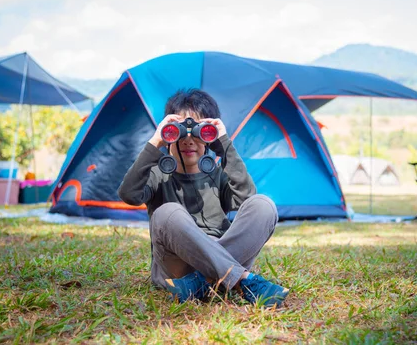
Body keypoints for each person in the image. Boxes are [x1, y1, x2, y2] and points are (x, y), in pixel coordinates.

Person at [118, 89, 289, 308]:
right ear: (169, 132)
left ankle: (200, 283)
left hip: (212, 256)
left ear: (209, 136)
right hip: (175, 266)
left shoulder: (216, 173)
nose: (188, 139)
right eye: (180, 131)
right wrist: (155, 143)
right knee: (167, 212)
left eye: (199, 131)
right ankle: (242, 279)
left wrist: (224, 144)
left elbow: (247, 197)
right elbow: (129, 195)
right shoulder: (156, 174)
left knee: (263, 205)